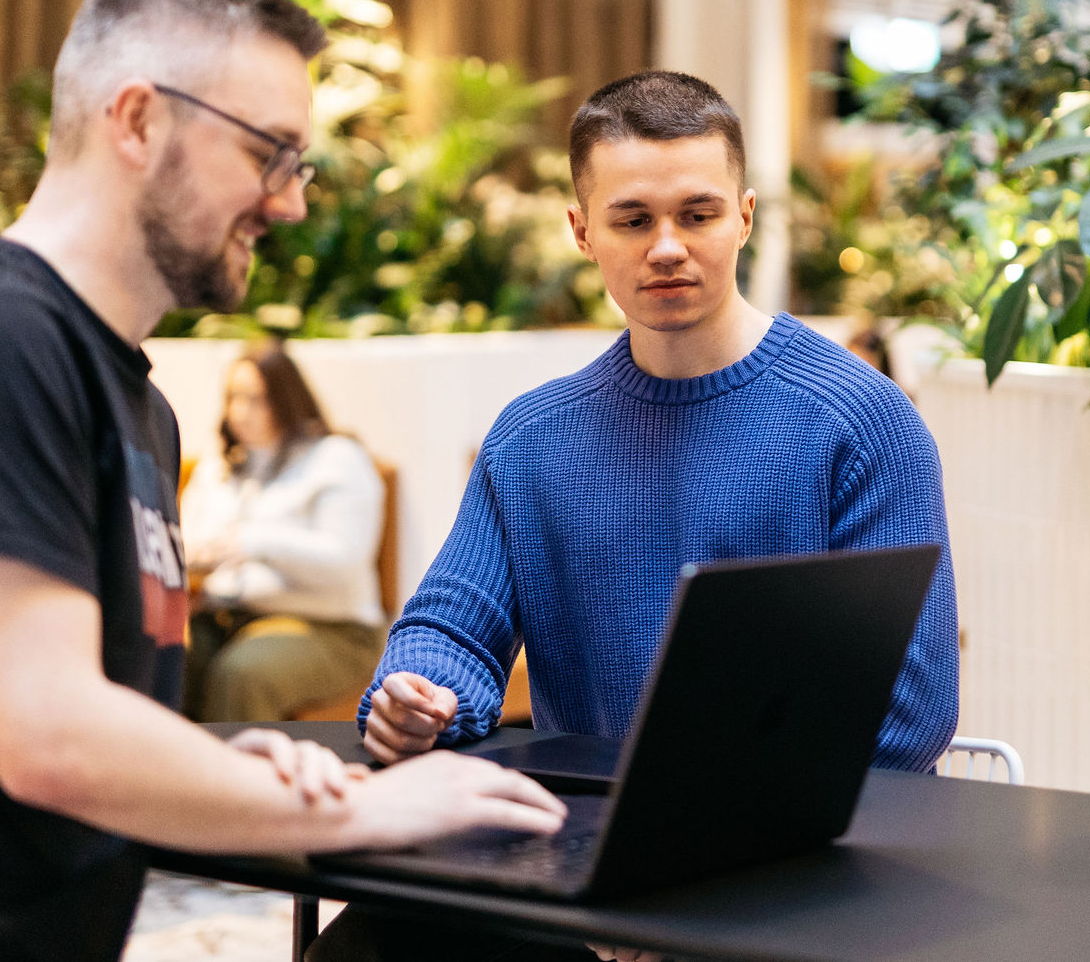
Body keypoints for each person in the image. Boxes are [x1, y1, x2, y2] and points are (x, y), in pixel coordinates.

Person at [0, 0, 562, 962]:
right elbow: (49, 738)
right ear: (138, 120)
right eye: (269, 152)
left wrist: (219, 768)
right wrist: (365, 809)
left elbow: (90, 709)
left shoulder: (142, 408)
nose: (291, 205)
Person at [313, 71, 959, 962]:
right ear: (582, 230)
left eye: (696, 214)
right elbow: (449, 626)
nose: (667, 247)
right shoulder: (534, 437)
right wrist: (417, 692)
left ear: (743, 215)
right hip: (588, 861)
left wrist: (689, 873)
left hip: (798, 873)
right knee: (364, 948)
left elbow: (907, 716)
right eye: (632, 219)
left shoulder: (862, 422)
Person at [183, 341, 388, 721]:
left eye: (256, 399)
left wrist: (254, 542)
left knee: (243, 674)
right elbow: (192, 544)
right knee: (172, 656)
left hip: (335, 629)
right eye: (234, 398)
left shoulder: (335, 458)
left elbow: (343, 562)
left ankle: (238, 780)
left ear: (287, 398)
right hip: (233, 617)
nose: (240, 412)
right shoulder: (218, 468)